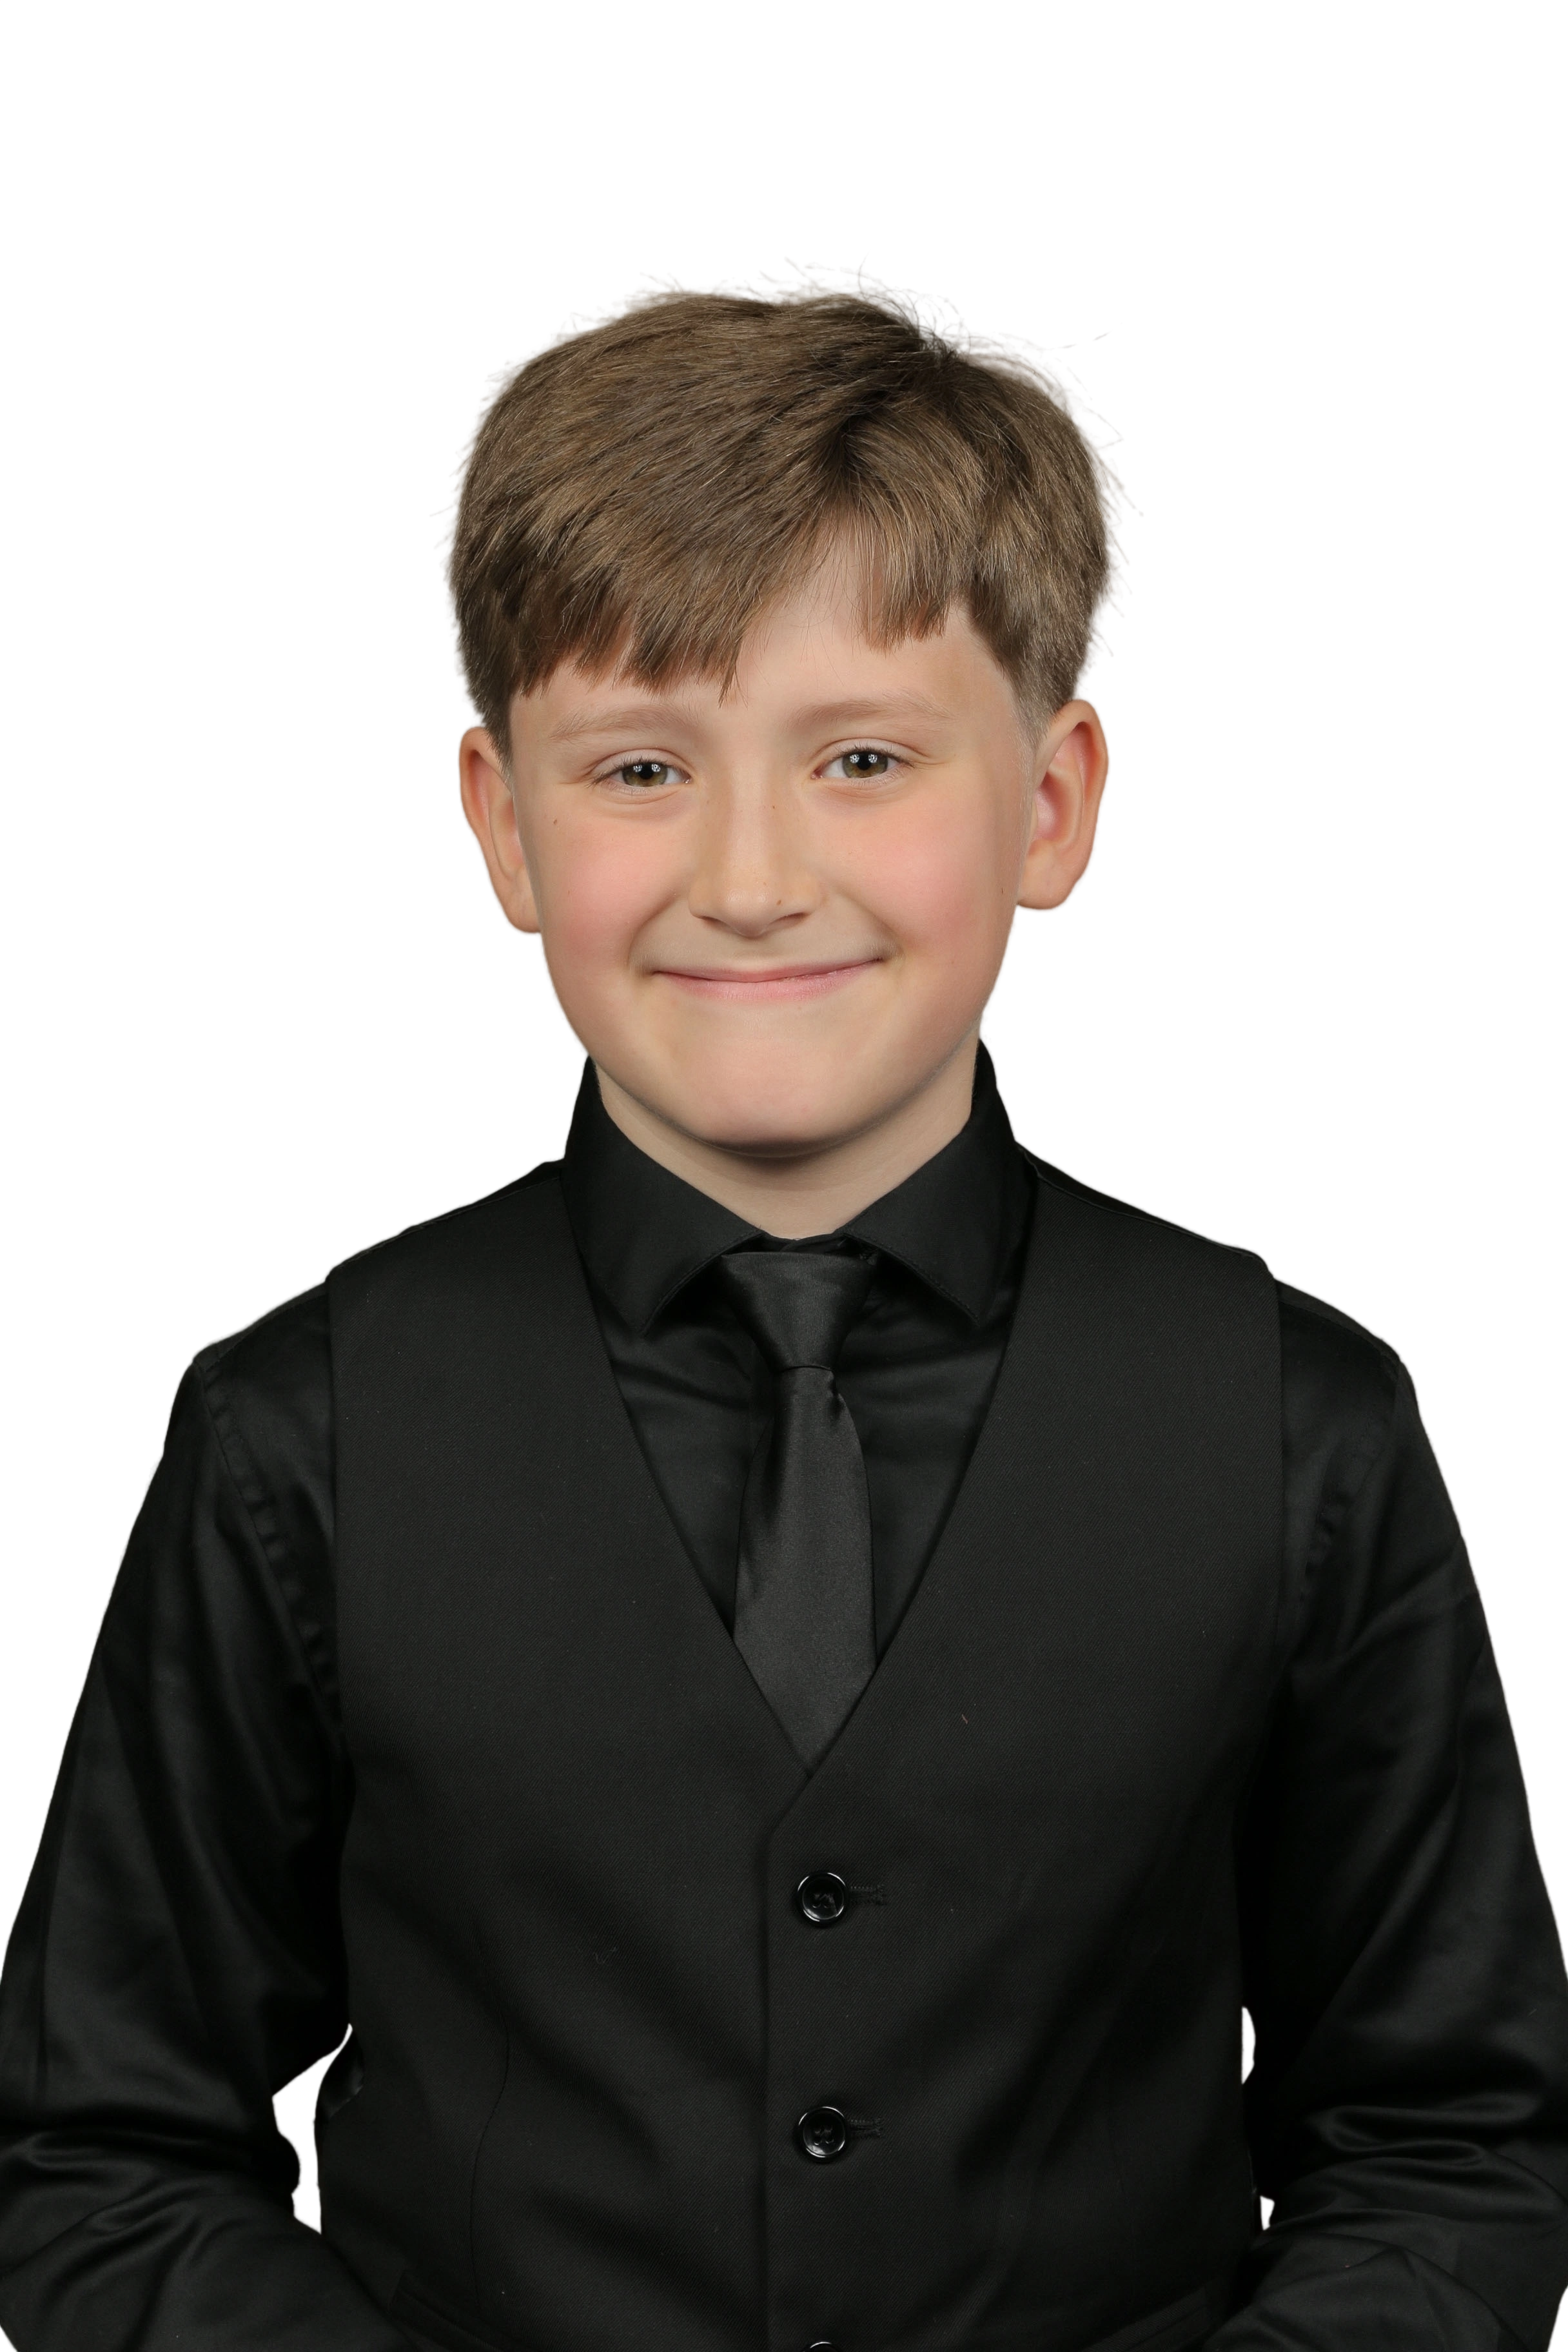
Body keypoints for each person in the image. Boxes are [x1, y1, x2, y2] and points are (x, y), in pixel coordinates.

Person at [0, 255, 1564, 2352]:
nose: (750, 880)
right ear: (502, 827)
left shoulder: (1303, 1423)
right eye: (640, 769)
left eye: (865, 759)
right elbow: (94, 2160)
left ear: (1054, 805)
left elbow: (1458, 2148)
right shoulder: (299, 1436)